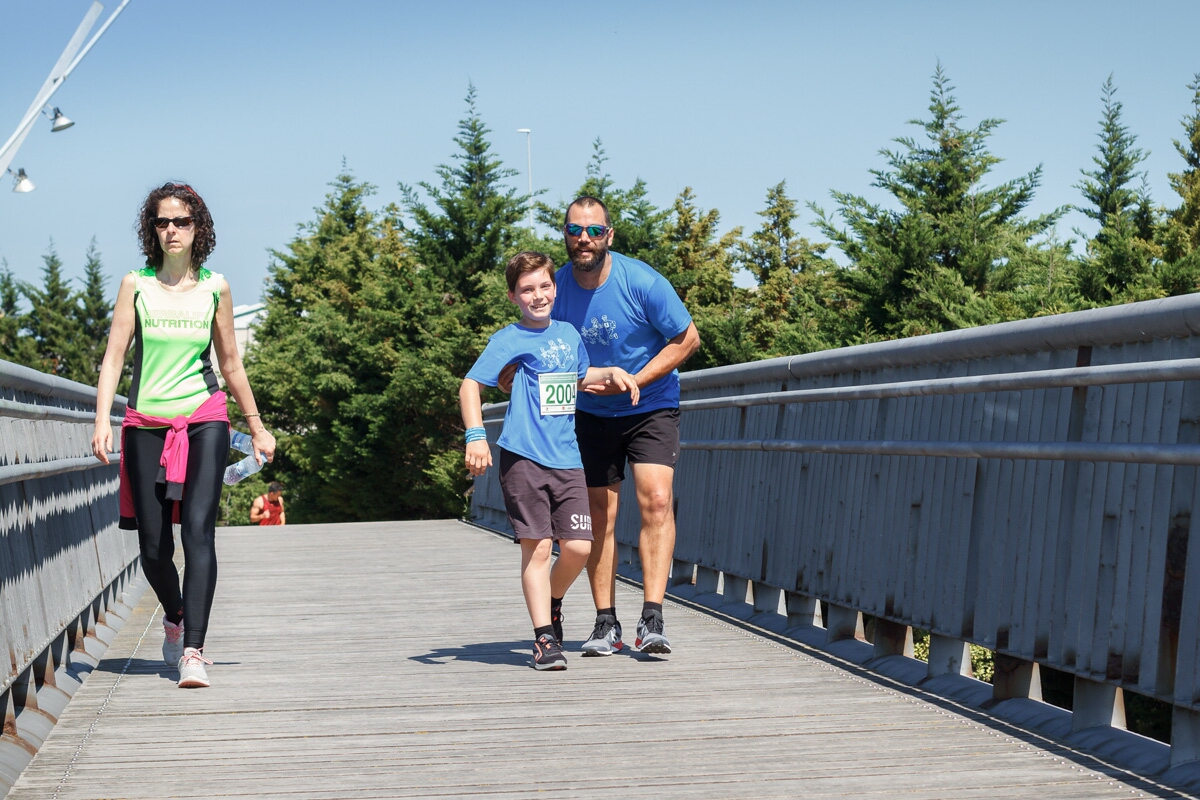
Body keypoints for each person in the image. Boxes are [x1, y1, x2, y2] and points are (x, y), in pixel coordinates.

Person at [91, 182, 276, 689]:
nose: (172, 230)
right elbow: (113, 358)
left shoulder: (216, 286)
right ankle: (174, 618)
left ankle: (193, 648)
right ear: (151, 229)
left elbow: (231, 363)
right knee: (153, 546)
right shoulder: (136, 284)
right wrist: (102, 418)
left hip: (205, 418)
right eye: (162, 221)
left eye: (182, 221)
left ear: (199, 228)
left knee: (198, 531)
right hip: (146, 423)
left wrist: (256, 427)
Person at [460, 251, 639, 670]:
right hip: (523, 458)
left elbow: (576, 378)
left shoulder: (568, 334)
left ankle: (552, 599)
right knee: (538, 549)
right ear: (513, 296)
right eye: (527, 290)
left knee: (578, 546)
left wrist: (610, 372)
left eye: (544, 286)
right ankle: (544, 640)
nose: (538, 296)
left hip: (567, 460)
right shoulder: (509, 338)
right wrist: (476, 436)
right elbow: (471, 385)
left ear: (554, 289)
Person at [540, 195, 699, 657]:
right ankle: (605, 622)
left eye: (593, 231)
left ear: (609, 235)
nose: (583, 239)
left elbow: (687, 338)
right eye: (574, 231)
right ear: (565, 236)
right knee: (599, 518)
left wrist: (634, 381)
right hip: (590, 413)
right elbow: (543, 349)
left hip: (649, 404)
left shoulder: (641, 281)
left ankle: (652, 617)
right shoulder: (557, 289)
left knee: (656, 500)